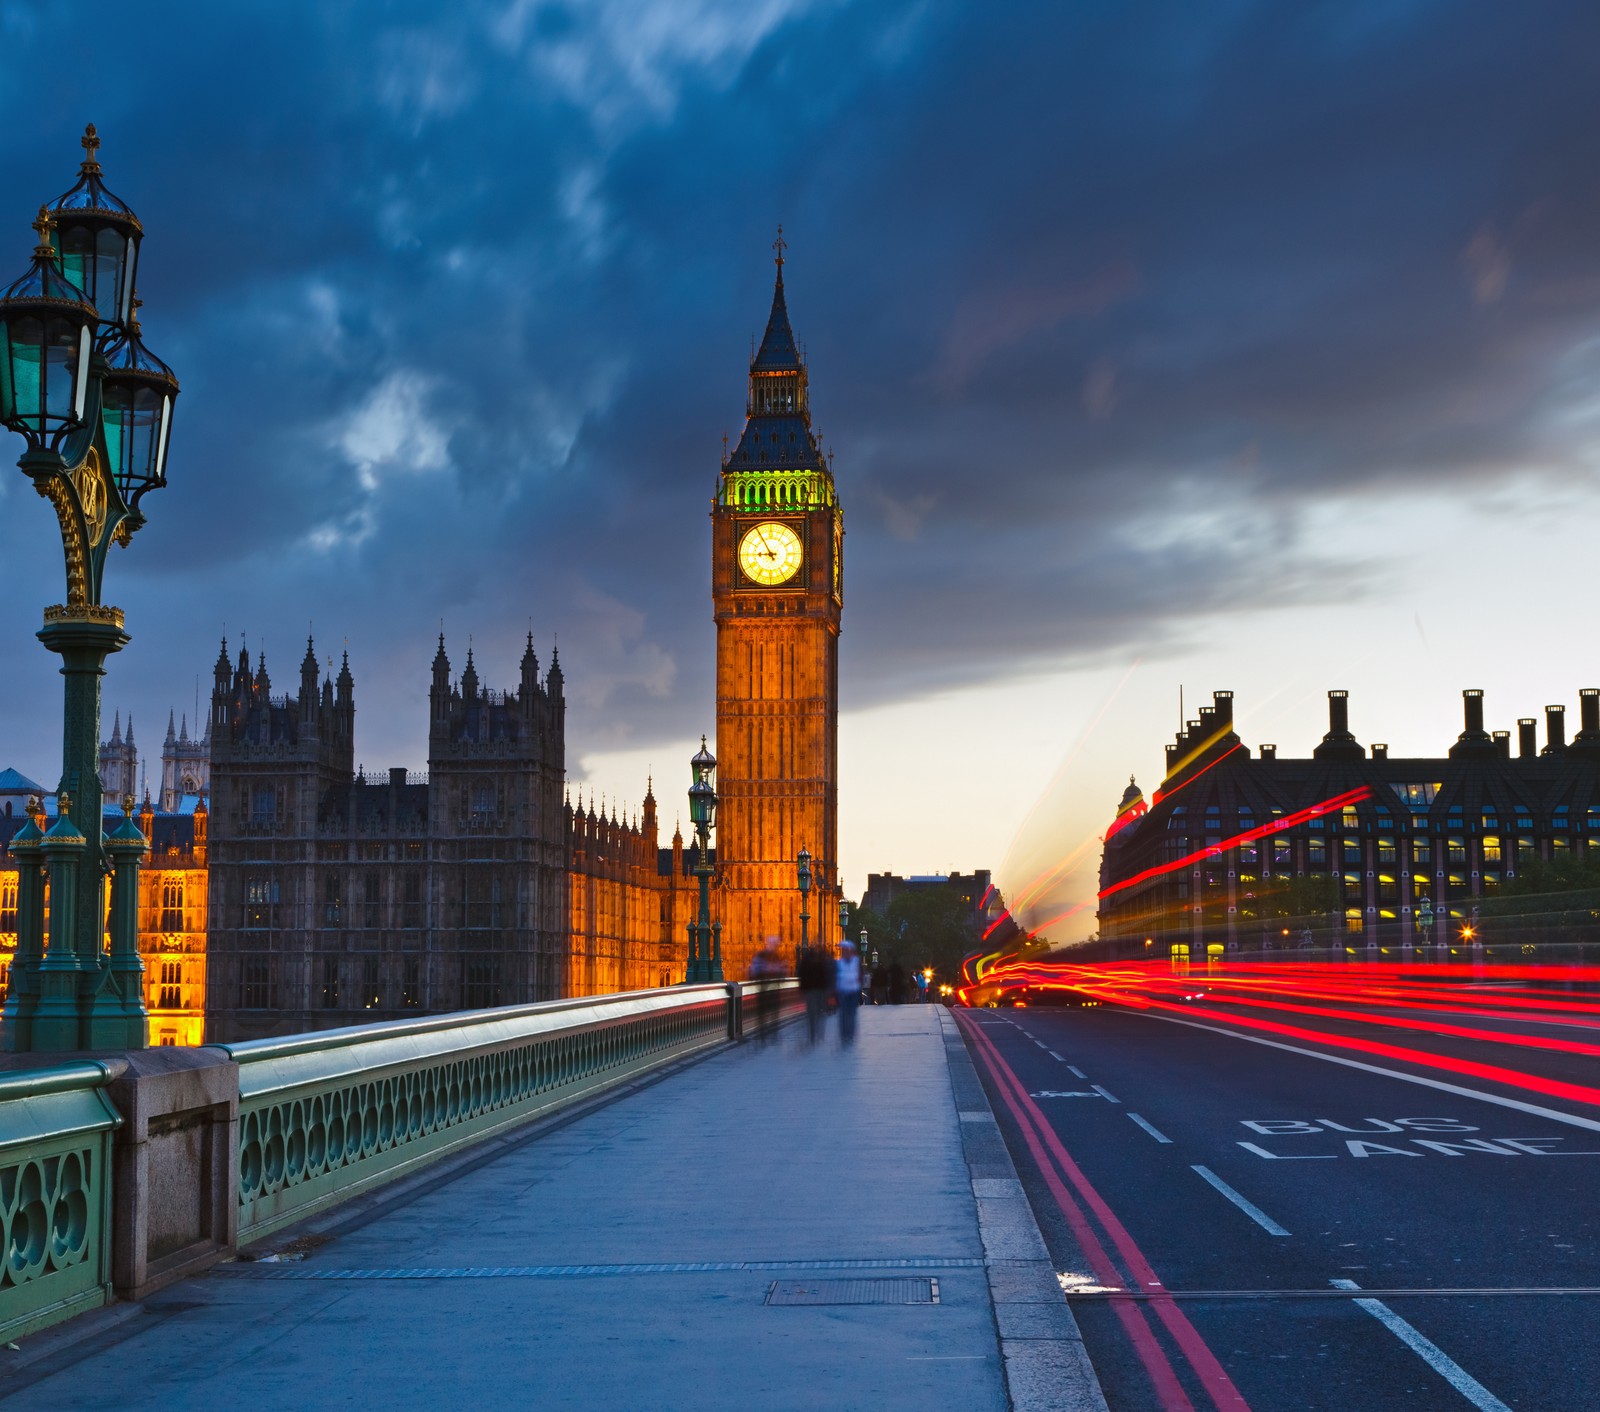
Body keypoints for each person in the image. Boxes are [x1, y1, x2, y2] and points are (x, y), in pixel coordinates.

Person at [749, 936, 784, 1044]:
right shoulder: (772, 957)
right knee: (769, 1013)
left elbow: (753, 972)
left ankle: (764, 1034)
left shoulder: (771, 957)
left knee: (765, 1013)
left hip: (765, 989)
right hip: (768, 989)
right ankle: (769, 1034)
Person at [798, 945, 831, 1044]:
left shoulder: (805, 962)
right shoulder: (821, 962)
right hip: (820, 990)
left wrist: (802, 988)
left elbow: (801, 975)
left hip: (809, 990)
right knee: (820, 1011)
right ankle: (820, 1034)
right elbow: (825, 976)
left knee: (811, 1012)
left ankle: (812, 1034)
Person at [835, 940, 862, 1046]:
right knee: (843, 1013)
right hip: (842, 990)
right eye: (843, 951)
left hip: (853, 990)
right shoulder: (838, 963)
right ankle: (844, 1035)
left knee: (851, 1013)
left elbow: (860, 975)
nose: (844, 952)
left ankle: (850, 1034)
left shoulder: (856, 961)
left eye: (846, 950)